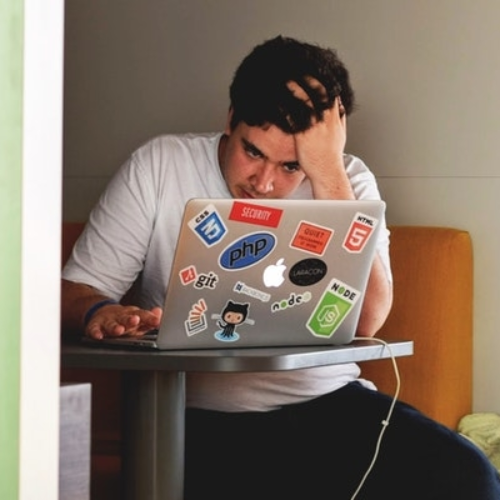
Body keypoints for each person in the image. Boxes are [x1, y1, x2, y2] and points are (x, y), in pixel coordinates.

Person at [61, 36, 500, 499]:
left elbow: (369, 319)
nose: (264, 183)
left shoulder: (347, 180)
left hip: (327, 404)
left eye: (291, 166)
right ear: (231, 119)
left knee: (468, 478)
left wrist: (327, 171)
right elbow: (74, 291)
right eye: (253, 152)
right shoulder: (160, 165)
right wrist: (98, 312)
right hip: (192, 420)